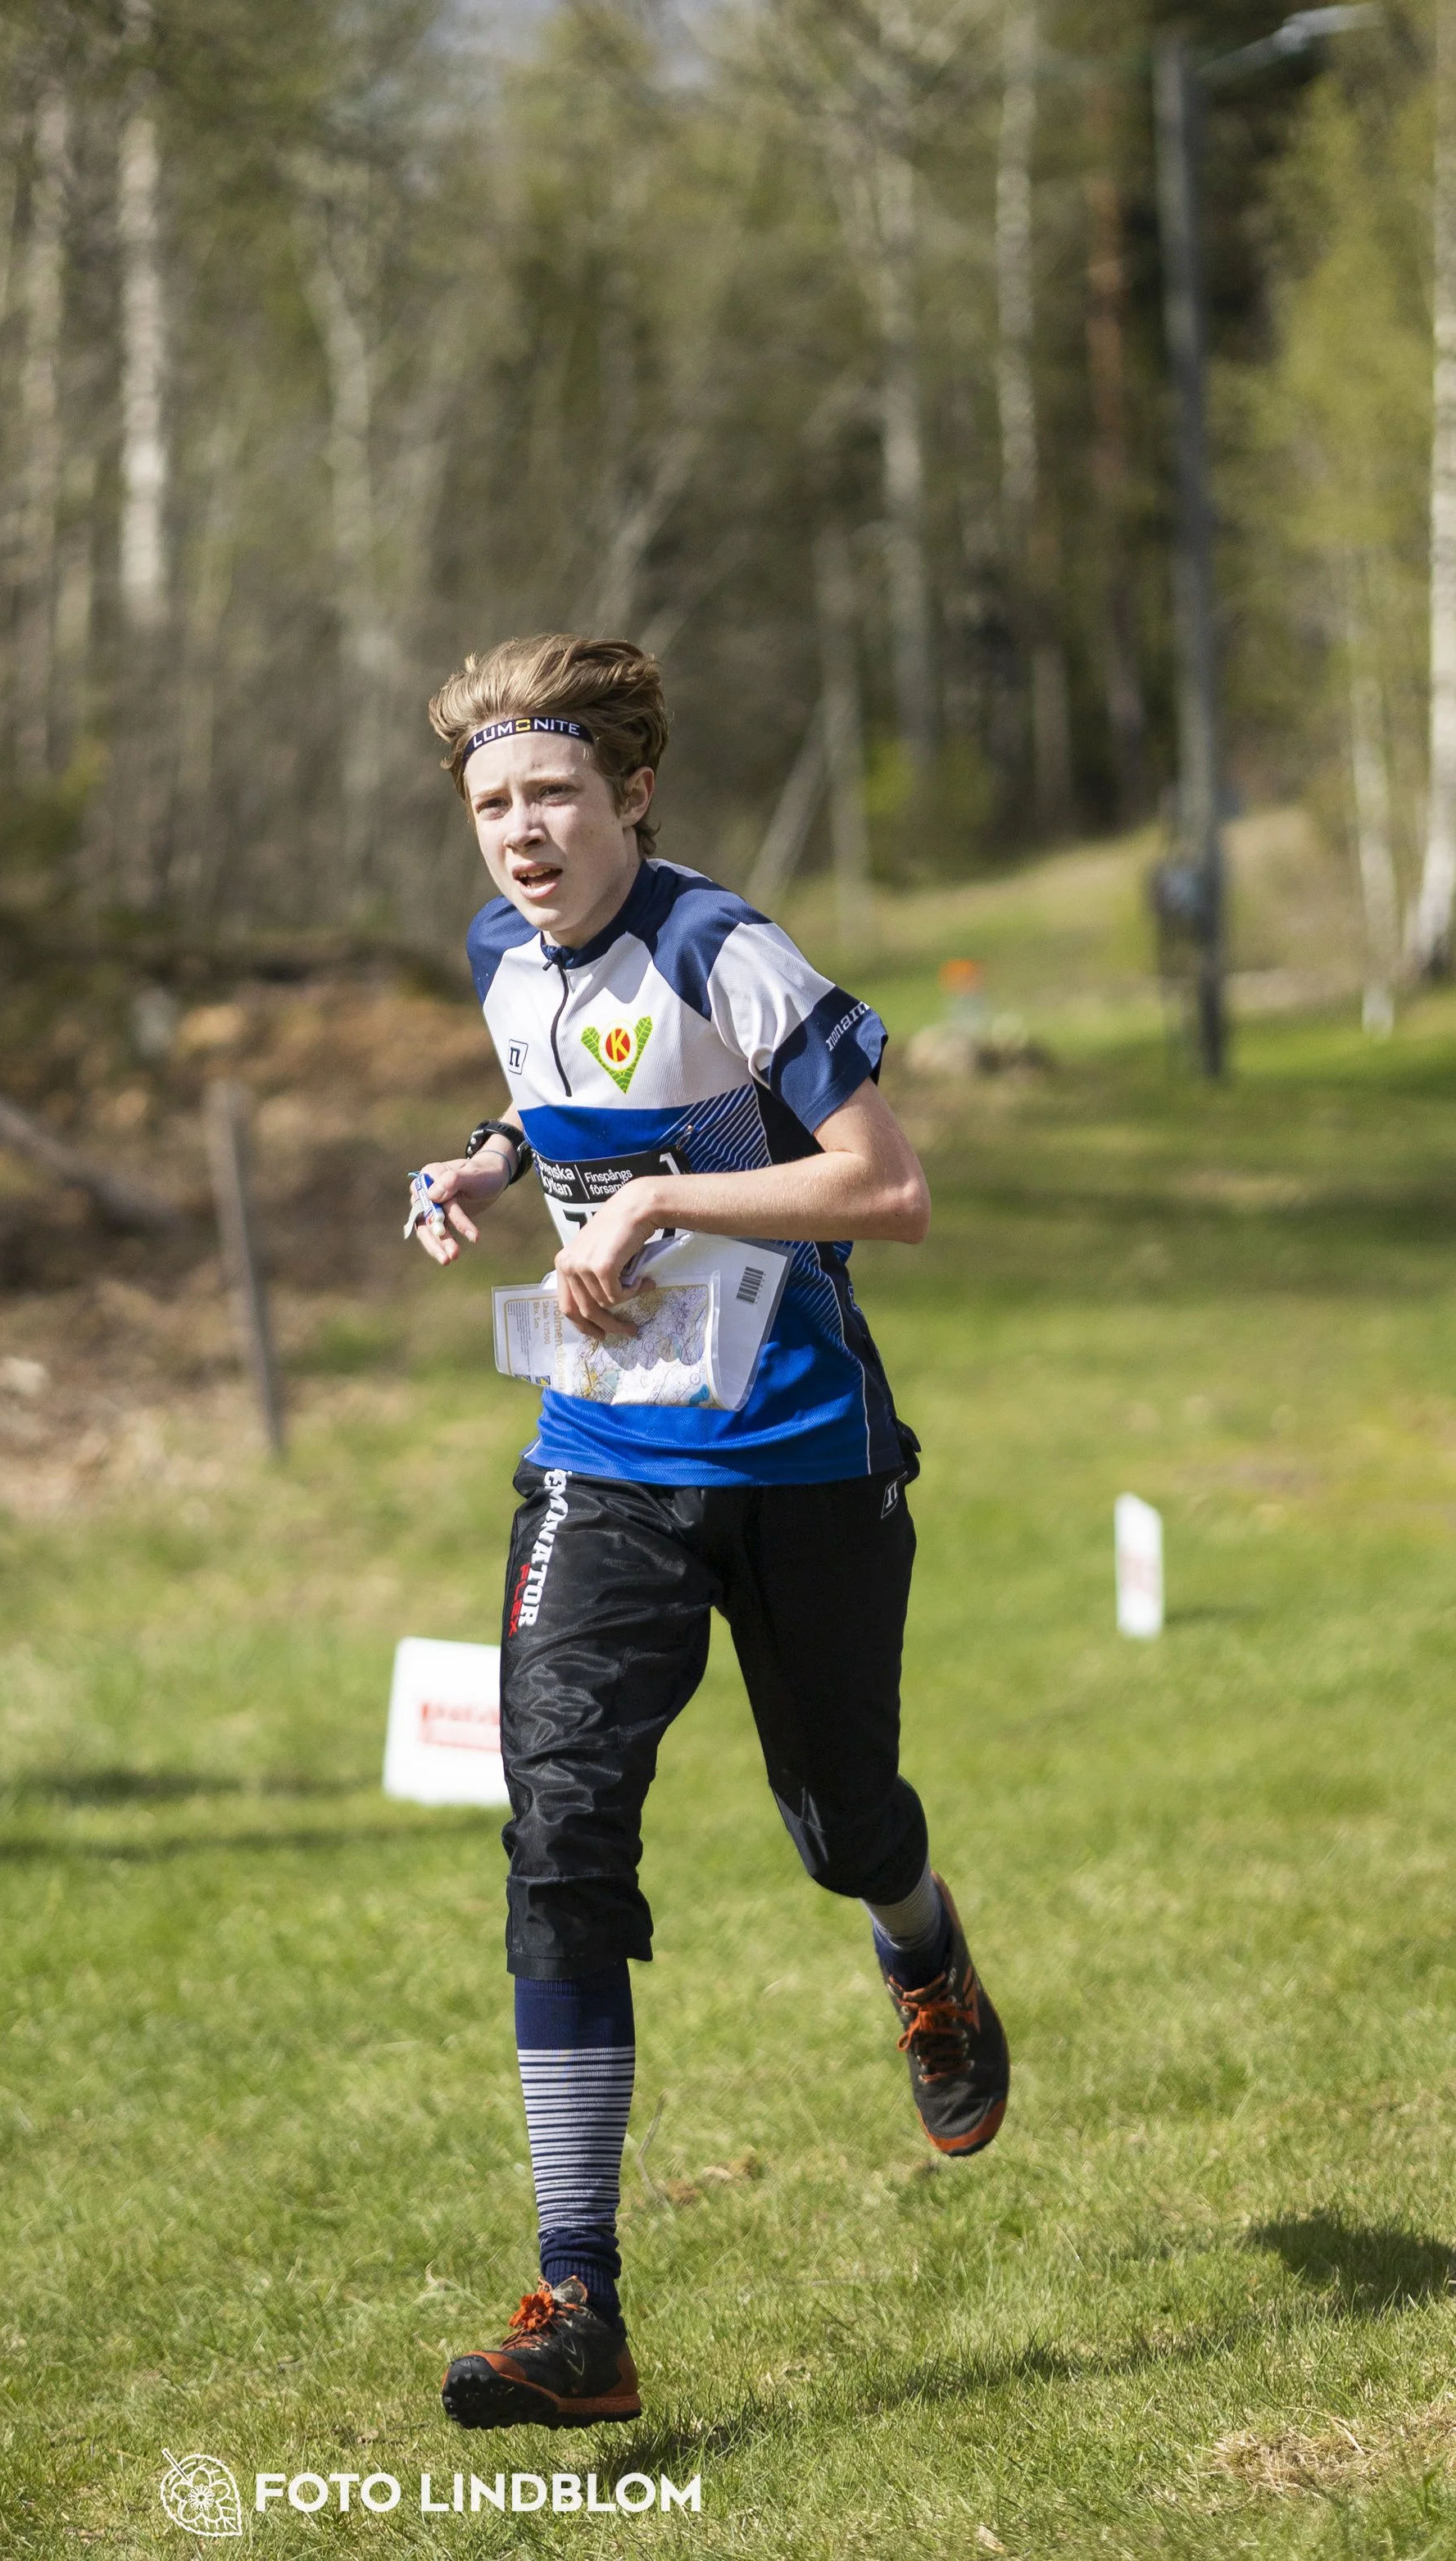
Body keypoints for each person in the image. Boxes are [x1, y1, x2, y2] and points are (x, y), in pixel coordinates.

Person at [408, 636, 1009, 2432]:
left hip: (802, 1450)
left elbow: (882, 1186)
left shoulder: (718, 942)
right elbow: (559, 1071)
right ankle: (575, 2299)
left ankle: (917, 1940)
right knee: (562, 1825)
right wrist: (488, 1166)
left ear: (630, 793)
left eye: (551, 795)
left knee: (841, 1818)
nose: (519, 833)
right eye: (489, 803)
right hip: (601, 1451)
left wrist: (662, 1192)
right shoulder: (496, 953)